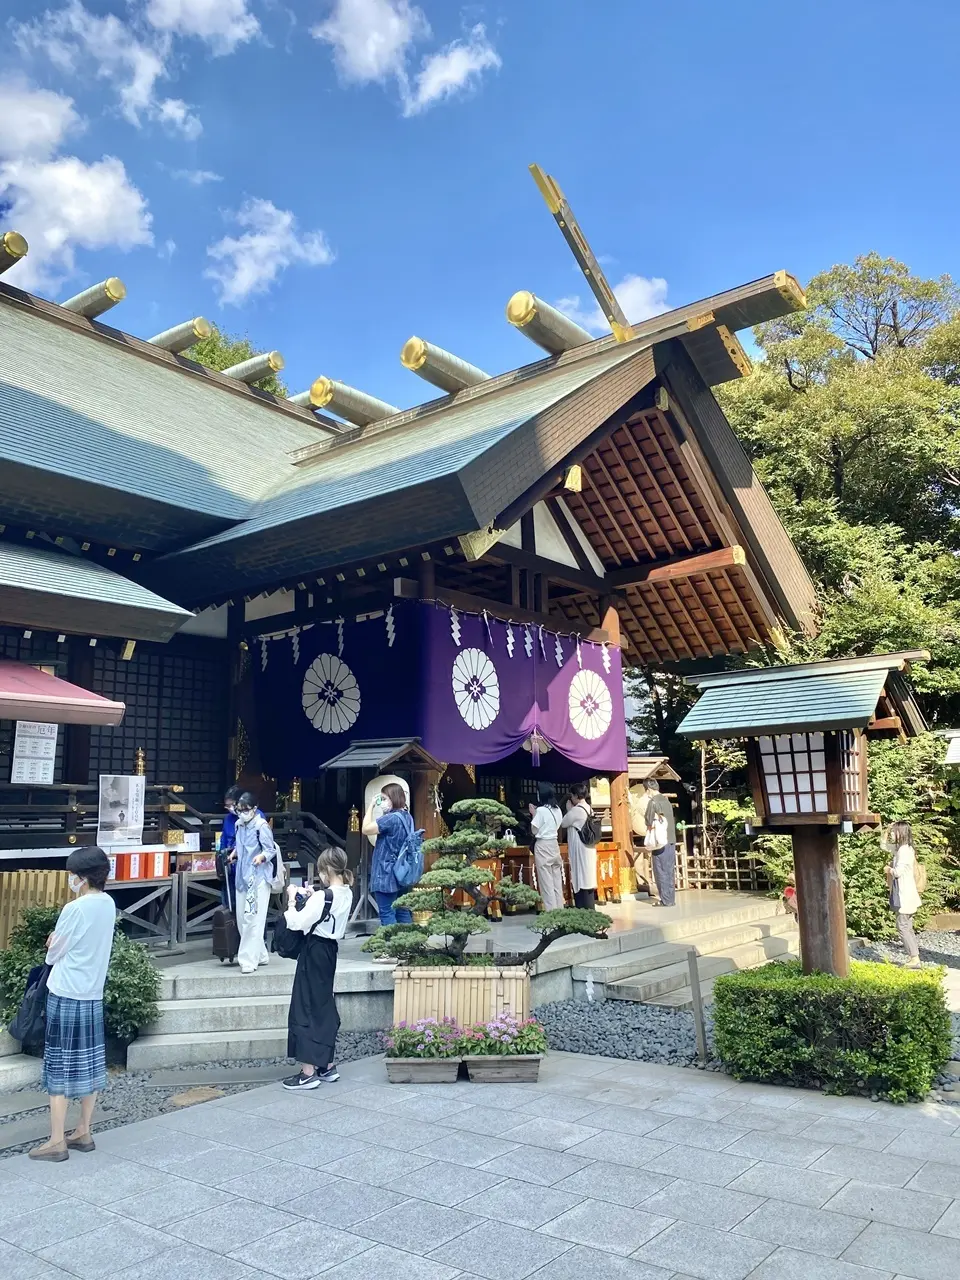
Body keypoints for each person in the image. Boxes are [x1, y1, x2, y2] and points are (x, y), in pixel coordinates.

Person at [30, 847, 116, 1162]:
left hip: (66, 991)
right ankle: (83, 1130)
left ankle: (56, 1140)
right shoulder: (108, 904)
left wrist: (53, 941)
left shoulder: (75, 908)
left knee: (59, 1066)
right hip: (92, 991)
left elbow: (53, 955)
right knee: (90, 1062)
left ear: (80, 877)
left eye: (72, 875)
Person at [281, 847, 355, 1089]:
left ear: (326, 870)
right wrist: (314, 897)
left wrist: (292, 900)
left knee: (305, 1006)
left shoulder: (324, 896)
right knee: (322, 1004)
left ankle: (307, 1072)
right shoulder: (346, 893)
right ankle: (327, 1065)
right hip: (330, 951)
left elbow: (297, 923)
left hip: (313, 951)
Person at [234, 791, 281, 974]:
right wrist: (234, 854)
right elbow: (241, 847)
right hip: (241, 875)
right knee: (241, 918)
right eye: (239, 809)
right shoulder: (239, 825)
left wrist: (262, 856)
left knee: (252, 919)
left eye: (246, 809)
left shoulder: (261, 826)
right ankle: (261, 954)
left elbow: (270, 850)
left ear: (254, 809)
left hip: (258, 878)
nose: (242, 812)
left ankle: (247, 960)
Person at [363, 783, 415, 926]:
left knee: (387, 912)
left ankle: (393, 946)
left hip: (385, 873)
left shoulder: (391, 819)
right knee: (403, 911)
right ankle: (409, 945)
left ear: (393, 798)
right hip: (402, 871)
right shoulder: (407, 817)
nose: (383, 803)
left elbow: (366, 829)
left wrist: (371, 806)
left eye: (385, 798)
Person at [884, 820, 923, 967]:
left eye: (894, 831)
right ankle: (914, 957)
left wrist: (888, 870)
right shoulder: (902, 848)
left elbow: (898, 872)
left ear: (901, 833)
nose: (893, 834)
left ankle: (914, 959)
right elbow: (884, 846)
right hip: (906, 894)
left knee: (902, 926)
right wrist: (886, 831)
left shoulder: (904, 851)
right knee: (907, 926)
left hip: (904, 895)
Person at [561, 782, 598, 909]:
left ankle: (583, 908)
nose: (571, 798)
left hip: (580, 848)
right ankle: (589, 907)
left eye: (572, 795)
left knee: (581, 877)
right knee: (588, 876)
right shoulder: (589, 808)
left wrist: (569, 810)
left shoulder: (577, 810)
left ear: (576, 796)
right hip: (589, 847)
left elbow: (564, 823)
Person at [529, 783, 565, 911]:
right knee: (556, 879)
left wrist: (533, 813)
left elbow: (534, 830)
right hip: (554, 844)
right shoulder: (558, 810)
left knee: (546, 881)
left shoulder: (541, 811)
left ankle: (551, 912)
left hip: (543, 845)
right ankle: (559, 909)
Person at [643, 779, 677, 907]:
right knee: (669, 871)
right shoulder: (666, 800)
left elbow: (648, 820)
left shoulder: (653, 802)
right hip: (670, 839)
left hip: (660, 841)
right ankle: (670, 899)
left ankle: (665, 900)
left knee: (660, 871)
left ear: (648, 789)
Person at [218, 784, 243, 909]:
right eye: (227, 806)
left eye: (231, 805)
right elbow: (223, 839)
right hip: (229, 867)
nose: (229, 808)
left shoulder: (255, 817)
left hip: (245, 869)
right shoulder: (228, 818)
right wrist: (220, 855)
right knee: (229, 904)